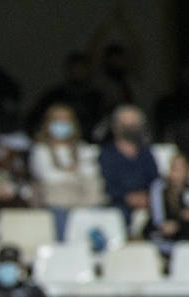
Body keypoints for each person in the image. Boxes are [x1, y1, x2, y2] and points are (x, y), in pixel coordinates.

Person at [29, 103, 103, 236]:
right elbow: (48, 177)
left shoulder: (83, 148)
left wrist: (67, 175)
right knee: (57, 203)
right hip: (56, 201)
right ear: (48, 124)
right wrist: (74, 174)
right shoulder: (40, 150)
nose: (61, 123)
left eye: (65, 119)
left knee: (95, 195)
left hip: (83, 200)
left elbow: (92, 173)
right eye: (57, 119)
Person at [98, 104, 160, 236]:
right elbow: (107, 183)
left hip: (147, 200)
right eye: (127, 124)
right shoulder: (107, 153)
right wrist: (127, 197)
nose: (132, 128)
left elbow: (155, 179)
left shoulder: (146, 153)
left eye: (135, 123)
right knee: (118, 215)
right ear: (116, 126)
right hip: (119, 202)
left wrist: (147, 196)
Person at [27, 52, 108, 143]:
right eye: (75, 68)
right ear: (68, 70)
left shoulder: (97, 96)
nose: (78, 72)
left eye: (82, 68)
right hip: (55, 143)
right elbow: (34, 120)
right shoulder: (55, 94)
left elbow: (103, 124)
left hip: (86, 143)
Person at [150, 152, 189, 244]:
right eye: (174, 167)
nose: (176, 171)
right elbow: (157, 218)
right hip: (167, 230)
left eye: (180, 168)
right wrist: (164, 225)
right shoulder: (160, 187)